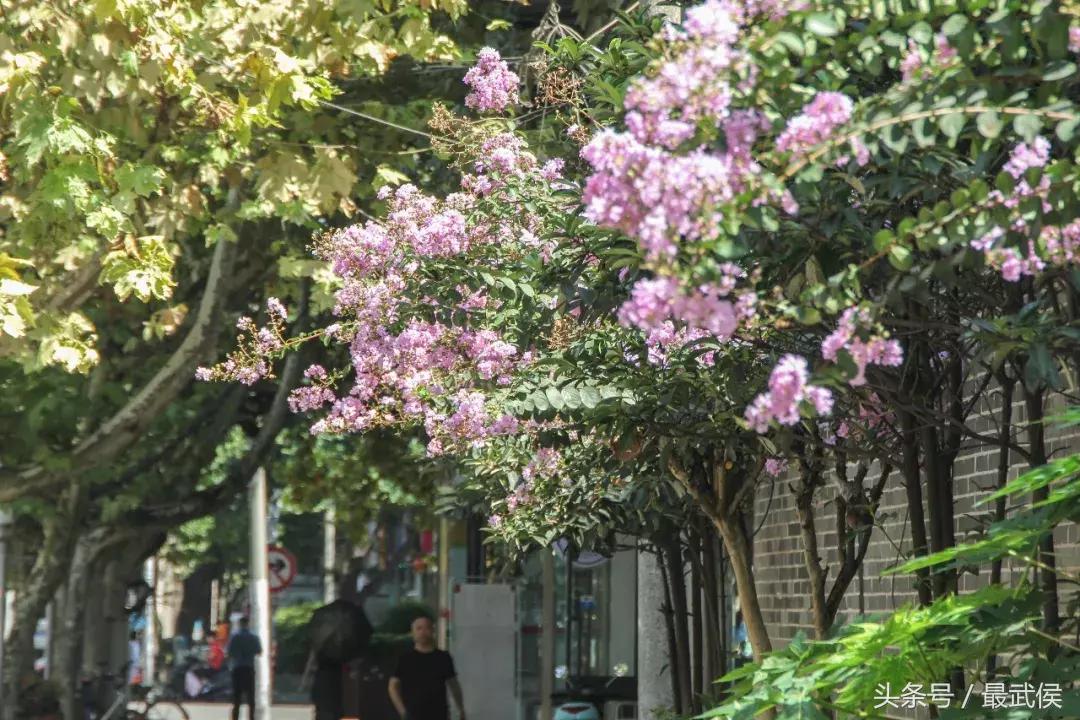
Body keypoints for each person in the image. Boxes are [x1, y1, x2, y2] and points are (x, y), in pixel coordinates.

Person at [388, 616, 466, 720]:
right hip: (413, 715)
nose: (423, 632)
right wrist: (403, 712)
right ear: (413, 633)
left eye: (427, 628)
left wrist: (460, 708)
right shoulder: (405, 659)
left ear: (433, 631)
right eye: (419, 628)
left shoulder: (443, 658)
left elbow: (454, 685)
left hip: (439, 714)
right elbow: (392, 687)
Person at [226, 616, 262, 720]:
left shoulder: (235, 637)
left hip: (237, 668)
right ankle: (251, 717)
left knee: (237, 697)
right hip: (249, 668)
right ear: (248, 624)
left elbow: (230, 652)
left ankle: (235, 717)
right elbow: (259, 651)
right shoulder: (253, 637)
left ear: (240, 624)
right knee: (251, 697)